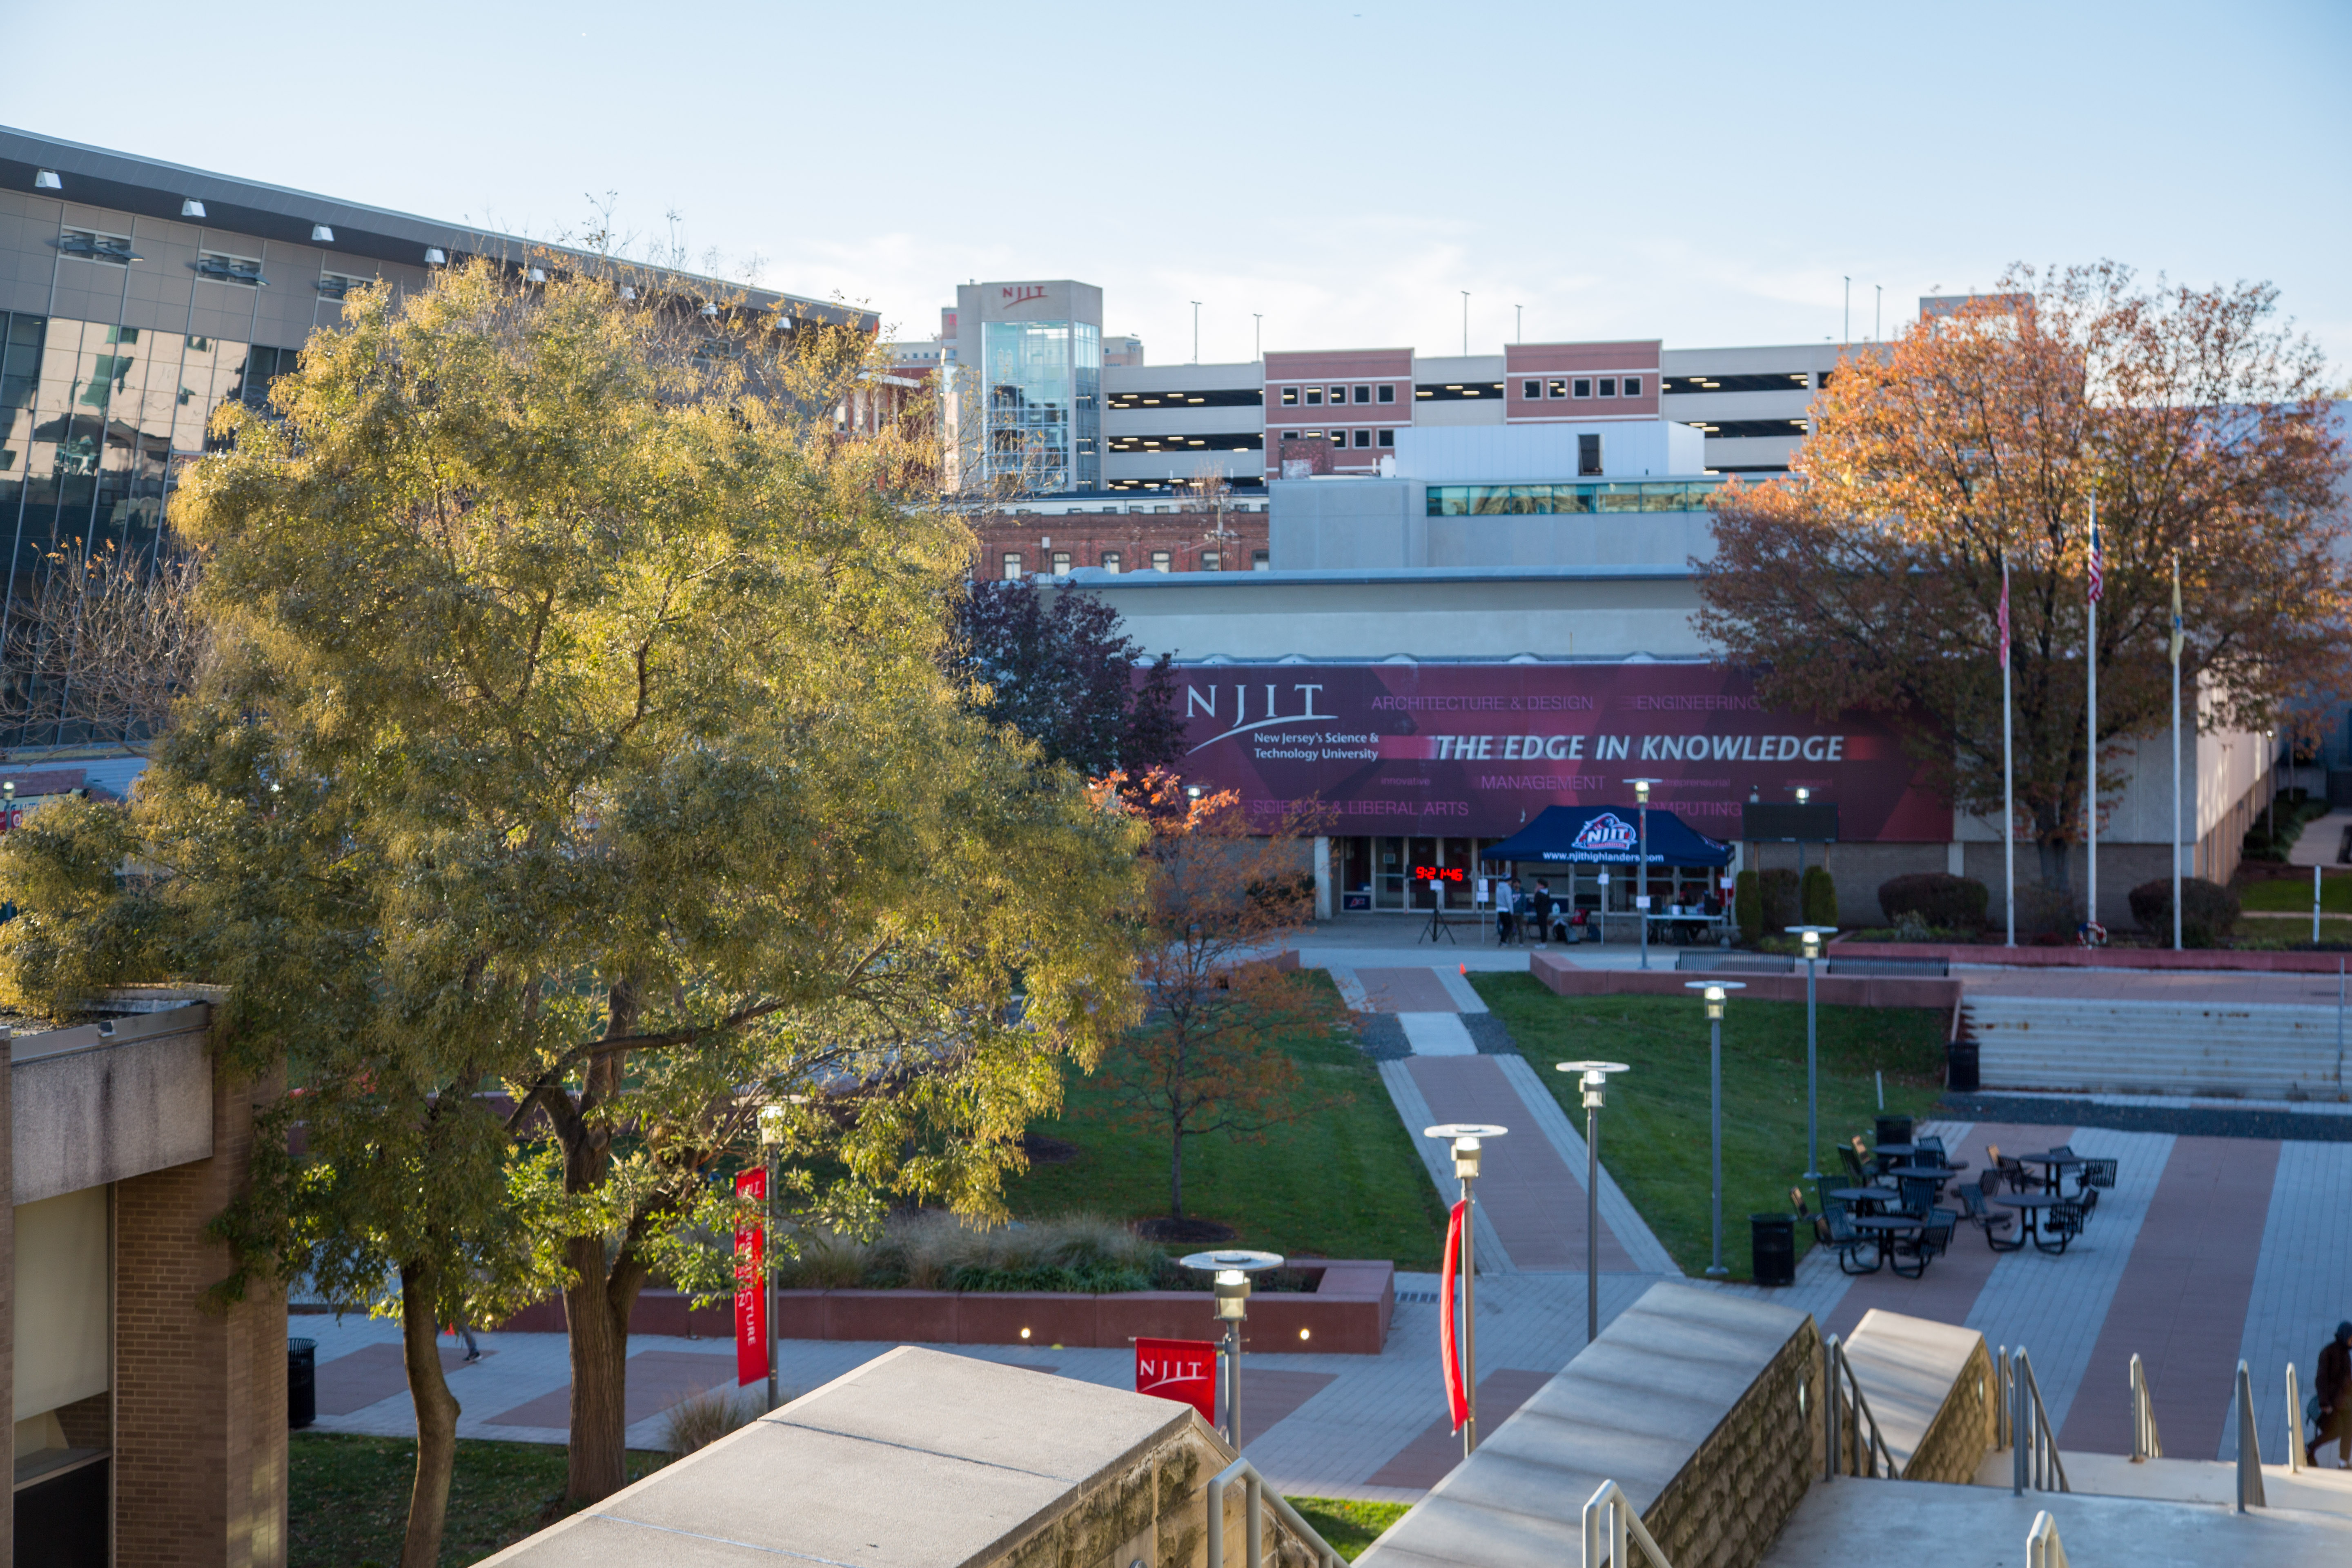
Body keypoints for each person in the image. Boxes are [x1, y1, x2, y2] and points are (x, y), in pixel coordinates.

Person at [2318, 1320, 2352, 1468]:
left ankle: (2343, 1462)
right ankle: (2309, 1449)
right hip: (2335, 1401)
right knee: (2334, 1432)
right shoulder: (2329, 1352)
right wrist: (2324, 1402)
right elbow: (2322, 1378)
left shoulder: (2344, 1352)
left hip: (2344, 1401)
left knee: (2346, 1431)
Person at [1530, 881, 1555, 947]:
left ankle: (1543, 943)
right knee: (1545, 927)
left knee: (1542, 927)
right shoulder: (1547, 893)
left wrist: (1531, 901)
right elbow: (1548, 901)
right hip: (1546, 911)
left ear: (1542, 886)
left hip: (1540, 912)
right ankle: (1544, 942)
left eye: (1538, 885)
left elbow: (1535, 903)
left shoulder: (1539, 893)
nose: (1537, 886)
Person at [1494, 877, 1516, 944]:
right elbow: (1509, 901)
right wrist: (1512, 911)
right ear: (1509, 881)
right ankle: (1503, 941)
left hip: (1500, 909)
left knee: (1505, 925)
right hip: (1506, 909)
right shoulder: (1508, 889)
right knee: (1509, 926)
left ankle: (1503, 940)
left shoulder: (1498, 888)